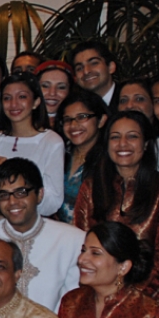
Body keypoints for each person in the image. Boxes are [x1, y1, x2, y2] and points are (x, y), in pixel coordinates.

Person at [72, 111, 159, 305]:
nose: (123, 144)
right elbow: (80, 241)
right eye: (115, 137)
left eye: (132, 136)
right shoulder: (91, 187)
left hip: (153, 298)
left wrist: (126, 298)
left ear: (146, 143)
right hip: (99, 293)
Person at [0, 158, 83, 313]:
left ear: (39, 194)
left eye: (21, 193)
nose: (12, 202)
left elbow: (74, 305)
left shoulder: (72, 241)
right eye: (4, 195)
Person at [0, 71, 66, 217]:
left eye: (22, 97)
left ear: (36, 102)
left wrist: (10, 170)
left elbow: (53, 200)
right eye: (7, 98)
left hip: (35, 223)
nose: (13, 104)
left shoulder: (51, 142)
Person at [54, 89, 108, 223]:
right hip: (56, 235)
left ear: (101, 120)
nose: (73, 125)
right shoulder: (58, 153)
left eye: (82, 117)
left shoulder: (109, 160)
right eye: (68, 119)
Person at [71, 40, 118, 105]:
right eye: (79, 68)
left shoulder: (129, 101)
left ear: (111, 67)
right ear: (75, 78)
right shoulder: (76, 107)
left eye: (94, 63)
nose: (86, 71)